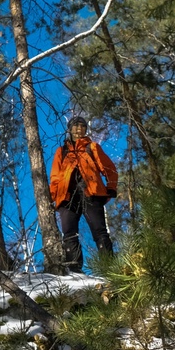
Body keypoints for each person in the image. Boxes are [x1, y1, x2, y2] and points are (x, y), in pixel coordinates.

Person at [48, 116, 117, 274]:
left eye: (82, 126)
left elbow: (109, 168)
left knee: (99, 231)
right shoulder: (62, 151)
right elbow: (55, 177)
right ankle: (74, 270)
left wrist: (111, 186)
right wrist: (53, 197)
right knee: (69, 233)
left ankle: (109, 268)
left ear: (86, 130)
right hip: (67, 197)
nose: (79, 129)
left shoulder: (92, 148)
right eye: (75, 126)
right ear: (69, 129)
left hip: (91, 193)